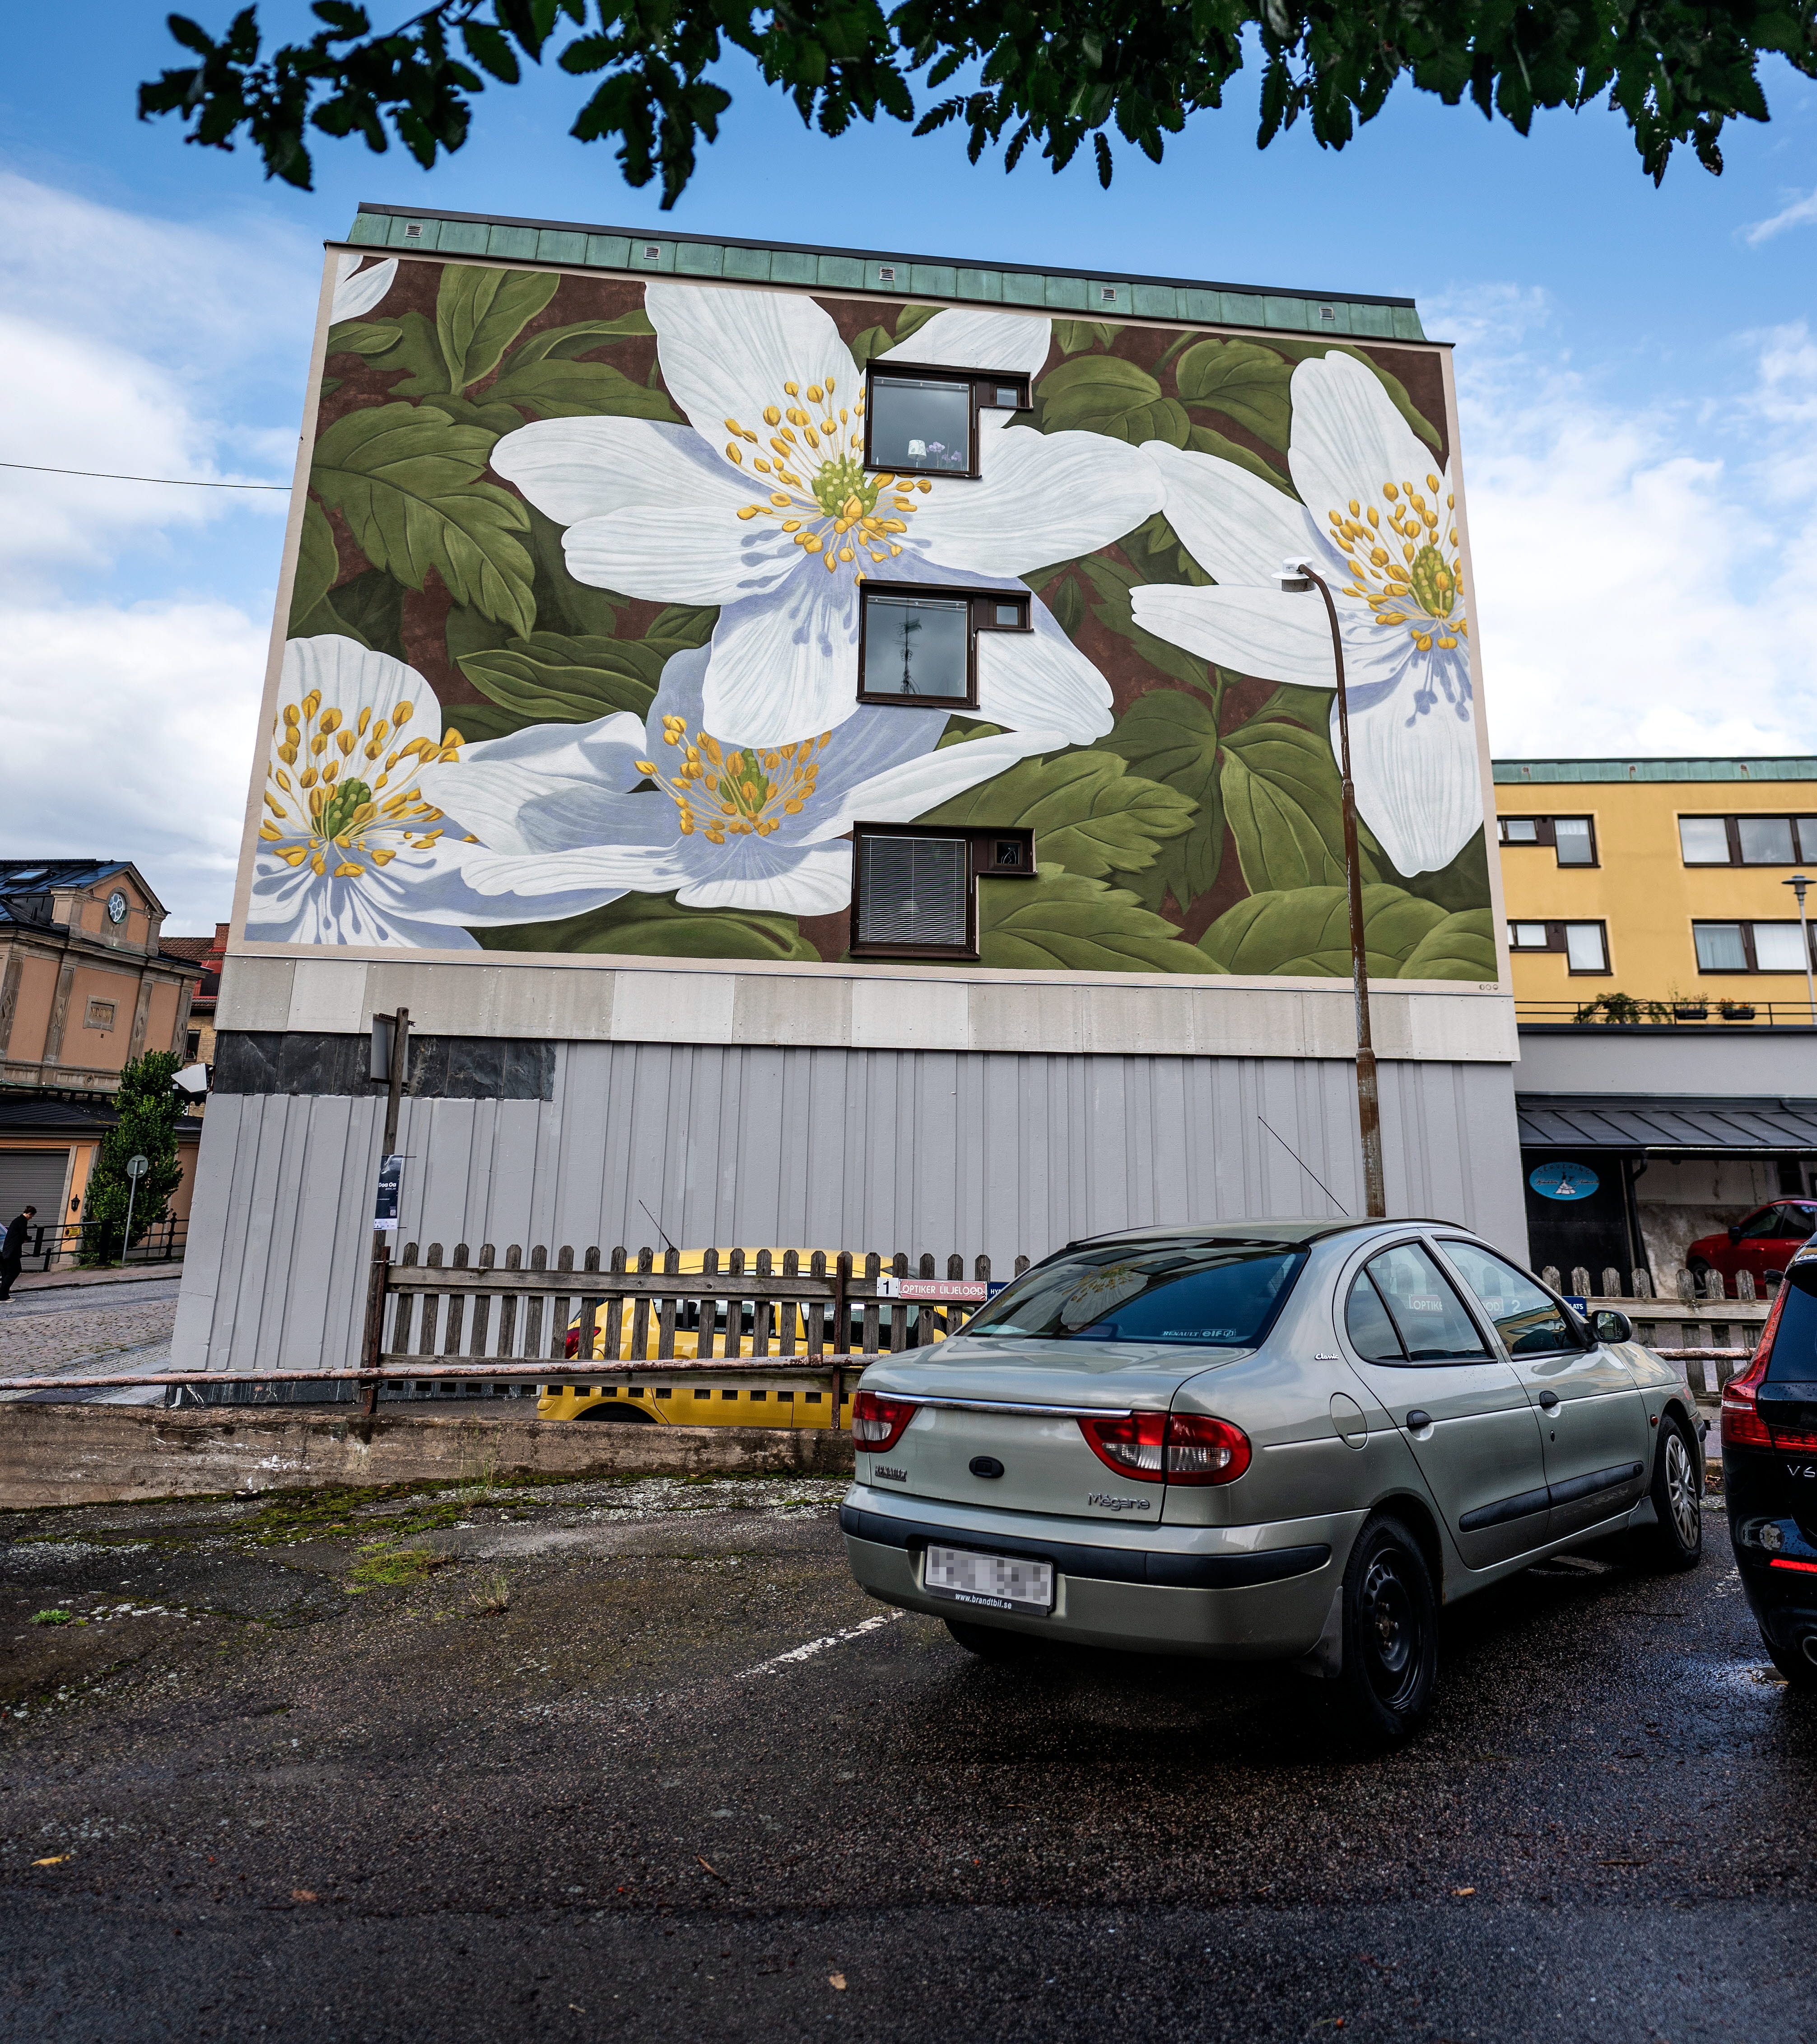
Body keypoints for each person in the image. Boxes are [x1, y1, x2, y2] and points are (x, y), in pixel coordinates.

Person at [0, 1204, 35, 1301]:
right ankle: (3, 1295)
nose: (31, 1218)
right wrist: (29, 1238)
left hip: (8, 1251)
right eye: (32, 1216)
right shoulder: (23, 1221)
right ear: (30, 1214)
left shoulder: (17, 1220)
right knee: (14, 1272)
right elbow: (23, 1235)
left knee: (10, 1272)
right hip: (12, 1252)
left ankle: (3, 1294)